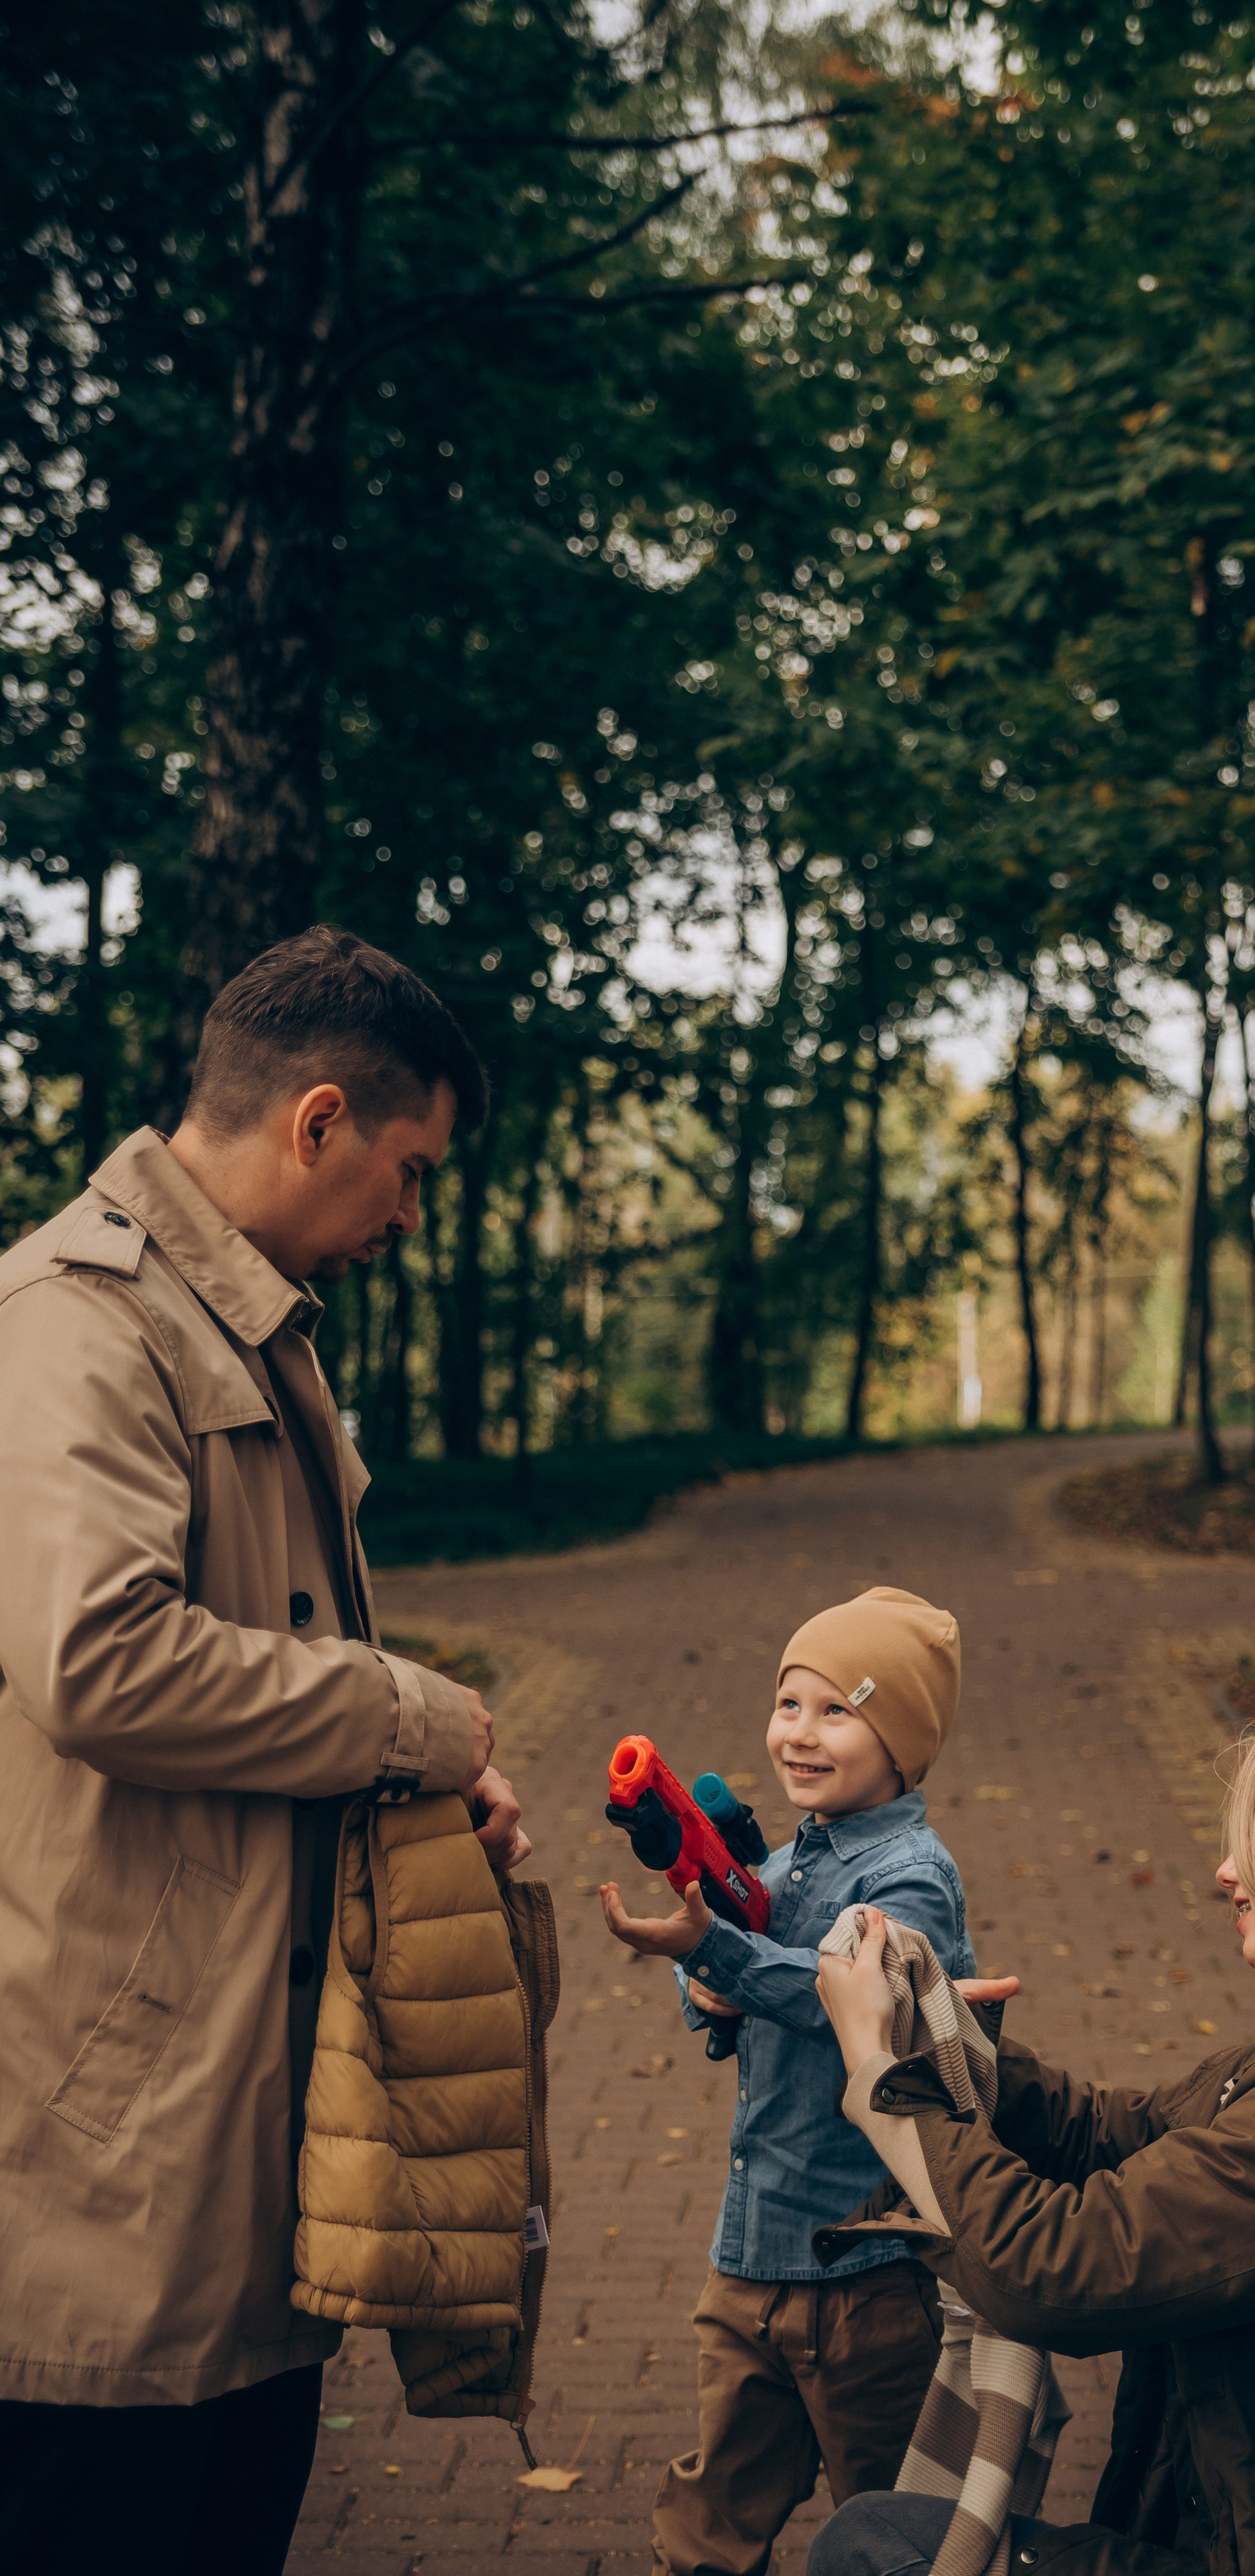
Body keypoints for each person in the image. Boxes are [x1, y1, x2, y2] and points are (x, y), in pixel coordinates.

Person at [0, 927, 531, 2576]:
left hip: (239, 2122)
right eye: (408, 1168)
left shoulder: (237, 1324)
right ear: (315, 1121)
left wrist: (419, 1773)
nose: (410, 1216)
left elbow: (264, 1643)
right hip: (115, 2160)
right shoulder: (76, 1323)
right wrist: (406, 1718)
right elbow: (102, 1660)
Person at [811, 1687, 1255, 2576]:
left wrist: (884, 2069)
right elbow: (1113, 2136)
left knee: (870, 2545)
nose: (1225, 1870)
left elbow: (1054, 2271)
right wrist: (963, 2052)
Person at [600, 1587, 973, 2576]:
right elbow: (729, 1975)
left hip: (866, 2276)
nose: (800, 1735)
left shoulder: (911, 1875)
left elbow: (844, 1998)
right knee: (708, 2519)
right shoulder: (779, 1862)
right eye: (788, 1704)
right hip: (751, 2255)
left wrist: (723, 1952)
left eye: (837, 1710)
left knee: (902, 2527)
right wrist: (706, 1980)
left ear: (902, 1738)